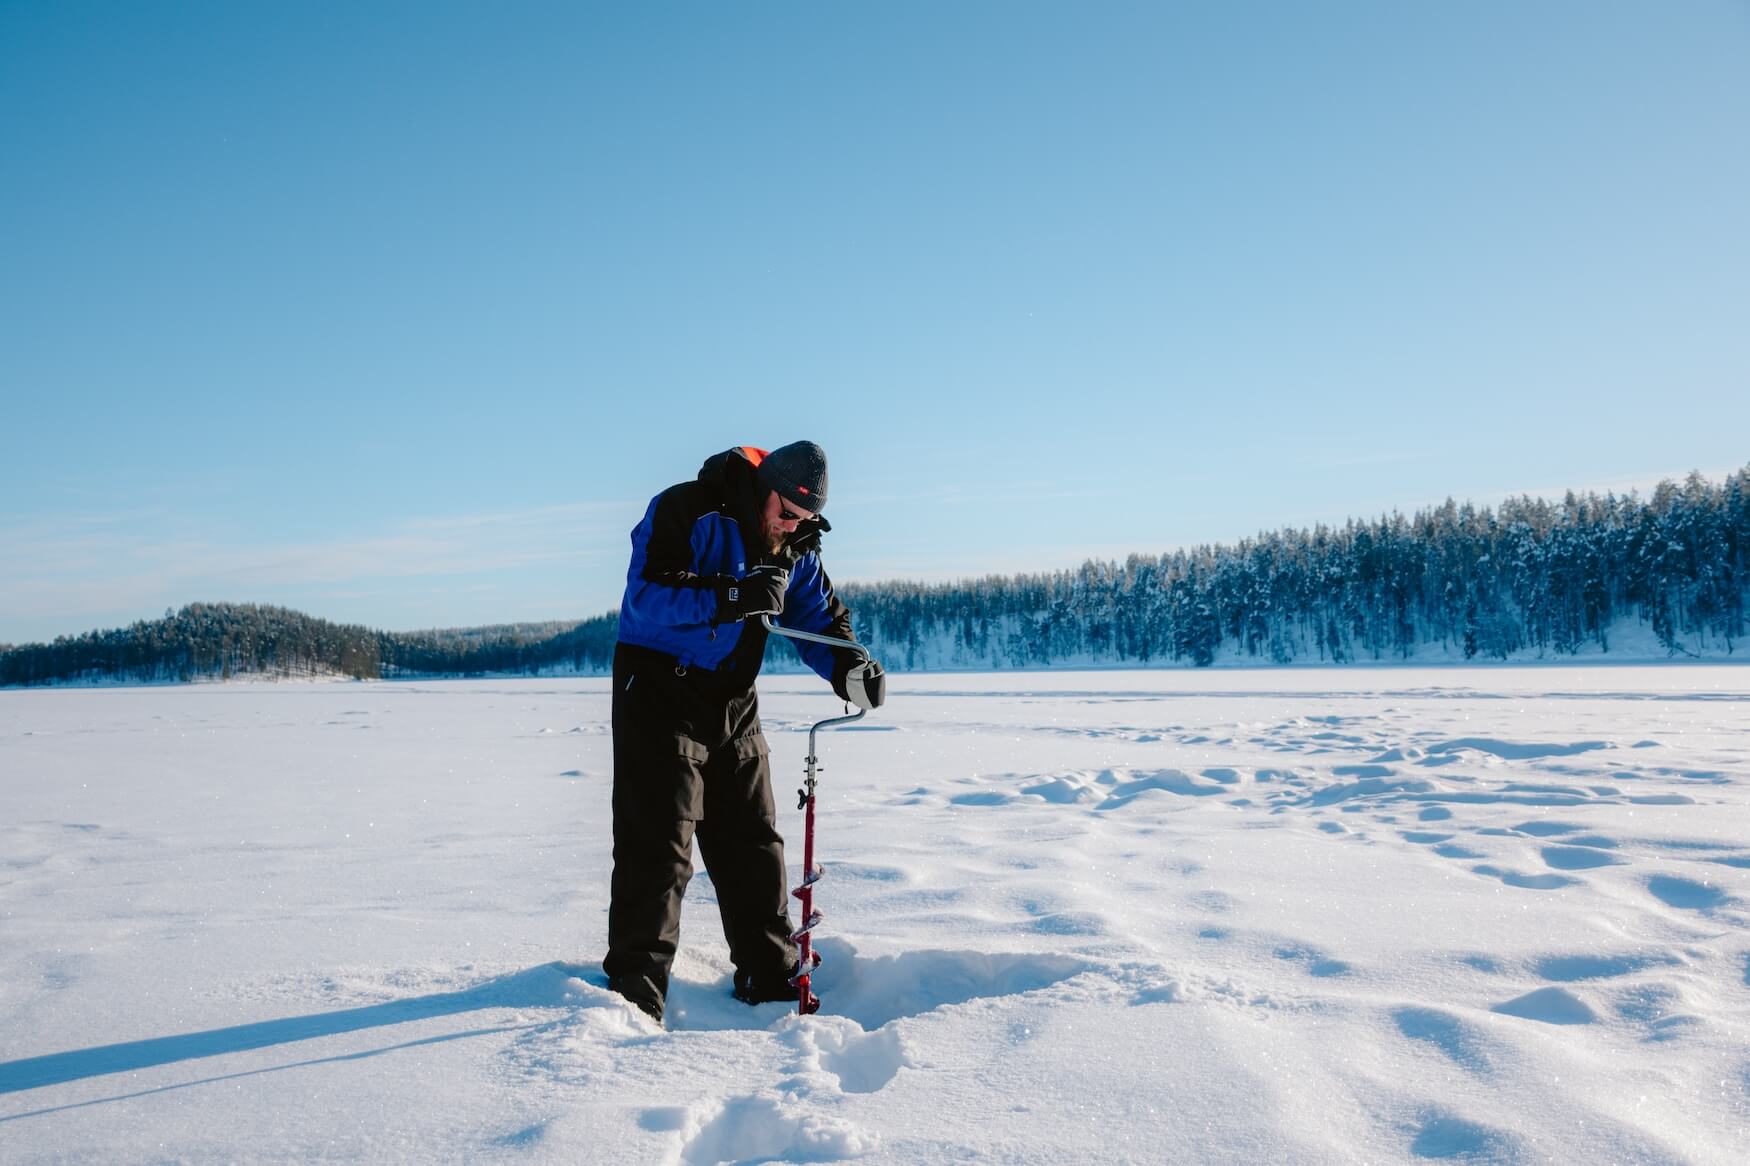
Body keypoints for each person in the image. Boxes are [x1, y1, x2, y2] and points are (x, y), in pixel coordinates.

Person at [603, 441, 886, 1024]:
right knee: (660, 848)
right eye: (786, 513)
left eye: (805, 521)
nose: (792, 528)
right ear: (765, 490)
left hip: (732, 697)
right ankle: (635, 996)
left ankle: (771, 979)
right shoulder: (687, 508)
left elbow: (818, 620)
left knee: (753, 840)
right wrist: (733, 597)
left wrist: (850, 668)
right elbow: (646, 597)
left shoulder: (796, 545)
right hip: (657, 688)